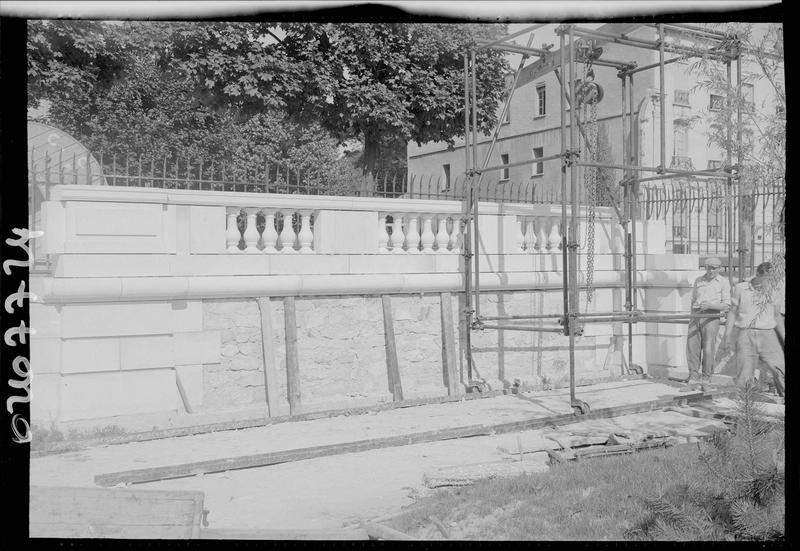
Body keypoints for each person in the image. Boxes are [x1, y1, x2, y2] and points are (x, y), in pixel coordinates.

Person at [723, 263, 785, 397]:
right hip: (745, 334)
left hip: (768, 334)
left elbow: (777, 315)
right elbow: (732, 312)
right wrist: (727, 335)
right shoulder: (740, 288)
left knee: (780, 368)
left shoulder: (775, 289)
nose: (769, 282)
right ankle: (745, 410)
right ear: (758, 275)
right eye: (767, 279)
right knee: (745, 373)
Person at [684, 257, 731, 391]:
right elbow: (693, 299)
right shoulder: (698, 280)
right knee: (692, 348)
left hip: (711, 316)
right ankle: (692, 379)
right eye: (708, 267)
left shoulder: (723, 282)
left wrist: (711, 305)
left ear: (719, 268)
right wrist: (692, 316)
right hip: (696, 315)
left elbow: (727, 305)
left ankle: (706, 380)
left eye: (714, 268)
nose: (710, 270)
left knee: (708, 349)